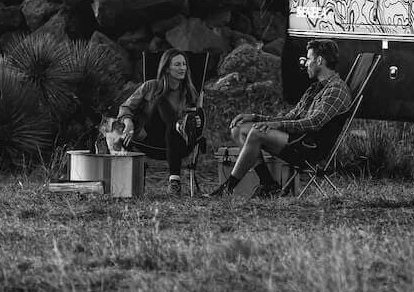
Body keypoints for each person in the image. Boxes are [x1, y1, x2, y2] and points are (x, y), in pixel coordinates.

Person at [212, 39, 350, 198]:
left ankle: (227, 188)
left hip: (309, 146)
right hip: (297, 138)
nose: (306, 63)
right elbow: (290, 117)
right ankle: (268, 184)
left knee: (256, 133)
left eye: (309, 59)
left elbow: (315, 122)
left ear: (319, 61)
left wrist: (277, 125)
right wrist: (256, 117)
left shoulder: (336, 90)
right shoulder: (315, 88)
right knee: (239, 129)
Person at [120, 50, 205, 188]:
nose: (182, 68)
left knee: (175, 127)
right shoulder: (150, 86)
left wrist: (197, 122)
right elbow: (125, 107)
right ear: (166, 68)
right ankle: (179, 125)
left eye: (184, 64)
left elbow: (197, 117)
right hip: (151, 141)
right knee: (160, 100)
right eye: (177, 64)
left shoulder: (190, 92)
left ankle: (174, 181)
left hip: (179, 144)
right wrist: (128, 123)